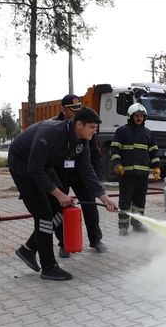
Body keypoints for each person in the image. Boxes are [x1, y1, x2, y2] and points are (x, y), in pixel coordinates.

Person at [8, 106, 118, 281]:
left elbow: (86, 171)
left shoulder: (83, 140)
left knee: (60, 210)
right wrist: (59, 194)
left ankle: (28, 250)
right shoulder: (50, 132)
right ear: (79, 124)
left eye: (95, 129)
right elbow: (34, 168)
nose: (94, 132)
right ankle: (49, 267)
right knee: (44, 215)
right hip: (24, 167)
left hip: (44, 166)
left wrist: (104, 198)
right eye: (92, 128)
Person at [52, 95, 105, 258]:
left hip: (80, 173)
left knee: (90, 204)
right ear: (63, 110)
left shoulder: (86, 126)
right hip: (60, 174)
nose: (76, 114)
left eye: (78, 110)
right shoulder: (55, 126)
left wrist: (97, 178)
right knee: (60, 208)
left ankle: (96, 240)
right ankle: (64, 243)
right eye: (72, 110)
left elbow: (94, 151)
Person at [110, 103, 160, 236]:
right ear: (130, 117)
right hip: (126, 174)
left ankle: (137, 225)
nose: (139, 118)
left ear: (144, 118)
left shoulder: (148, 133)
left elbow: (154, 152)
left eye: (141, 116)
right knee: (125, 202)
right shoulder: (122, 131)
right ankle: (123, 227)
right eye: (136, 116)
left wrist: (156, 167)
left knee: (139, 202)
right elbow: (114, 150)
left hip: (142, 175)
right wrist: (117, 164)